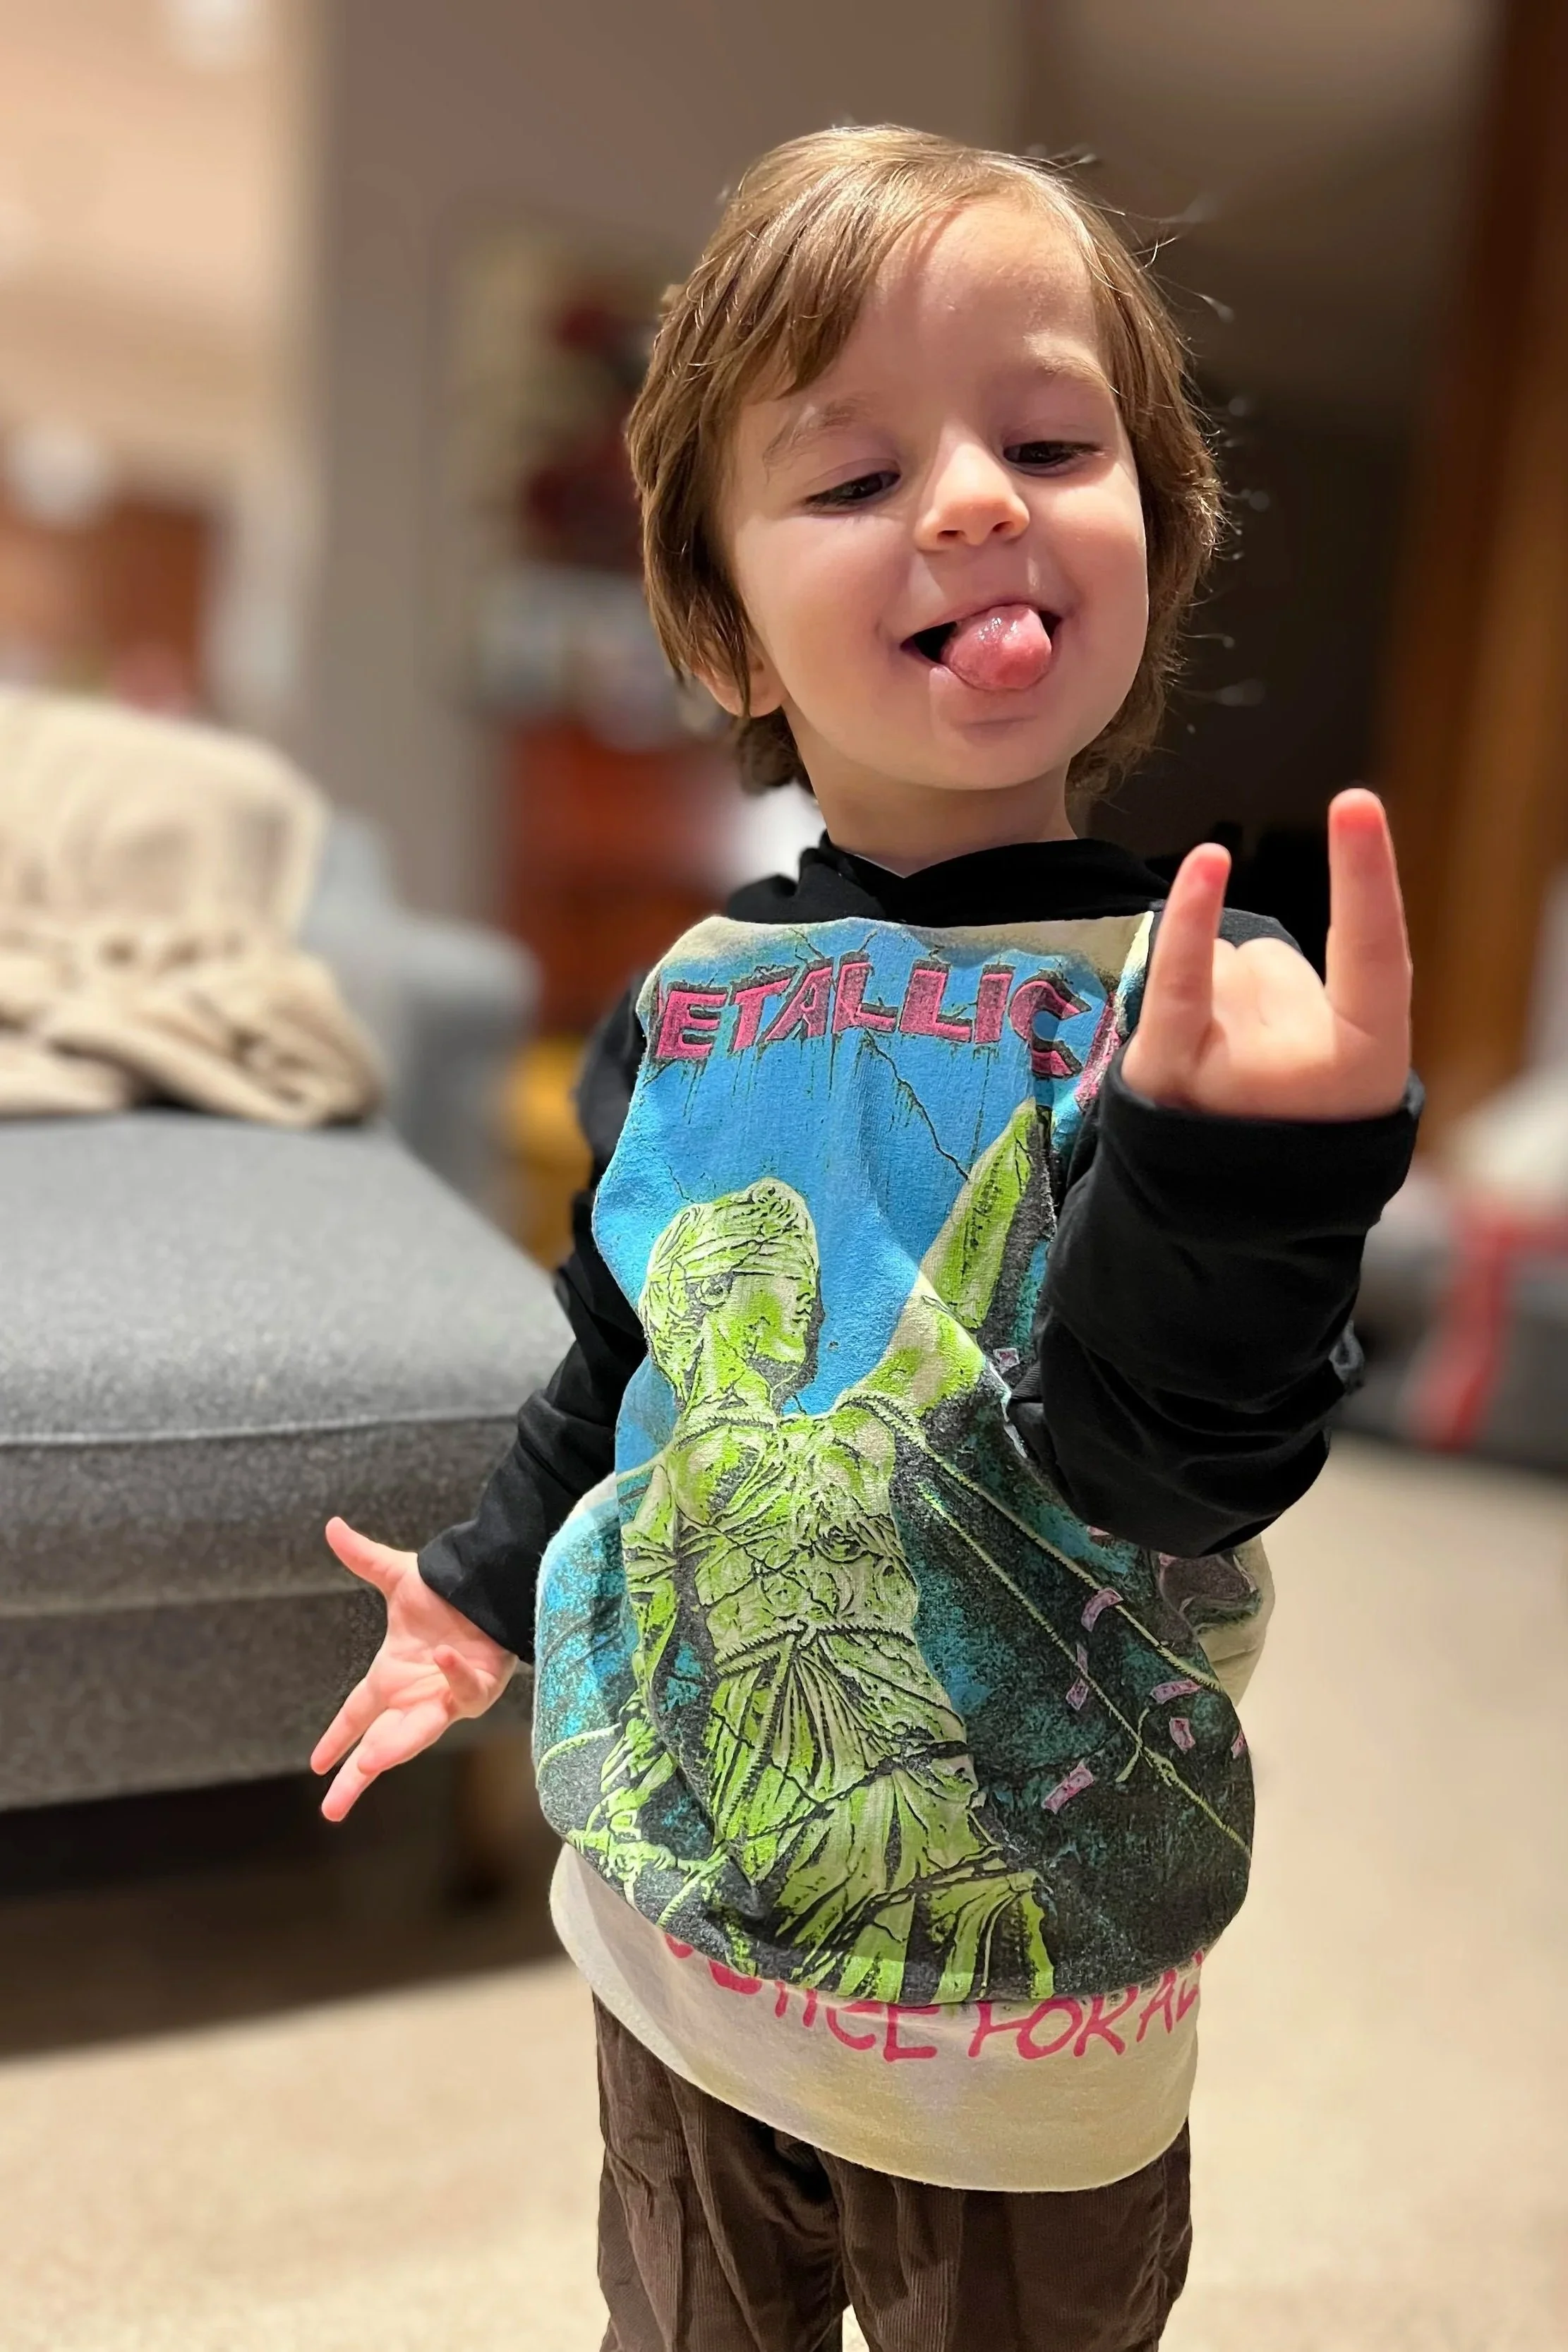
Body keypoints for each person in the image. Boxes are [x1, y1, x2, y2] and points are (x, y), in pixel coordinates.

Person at [311, 126, 1419, 2351]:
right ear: (718, 610)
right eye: (851, 477)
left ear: (1153, 532)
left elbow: (1160, 1469)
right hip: (676, 1926)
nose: (978, 500)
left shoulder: (1179, 1003)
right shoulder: (690, 991)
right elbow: (623, 1344)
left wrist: (1242, 1185)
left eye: (1045, 439)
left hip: (1014, 1993)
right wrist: (476, 1582)